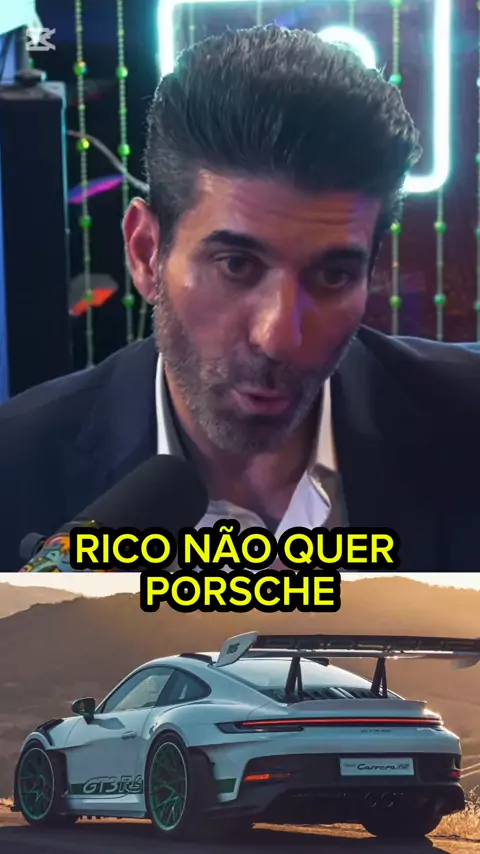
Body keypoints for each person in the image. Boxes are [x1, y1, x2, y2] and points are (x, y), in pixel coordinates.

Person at [0, 26, 479, 572]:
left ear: (370, 272)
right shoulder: (15, 472)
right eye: (236, 265)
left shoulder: (466, 427)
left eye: (332, 276)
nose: (278, 337)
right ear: (146, 252)